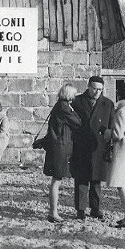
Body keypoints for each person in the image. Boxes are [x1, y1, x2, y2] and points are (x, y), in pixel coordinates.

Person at [71, 76, 114, 221]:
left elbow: (111, 125)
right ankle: (81, 210)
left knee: (96, 181)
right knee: (81, 180)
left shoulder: (108, 104)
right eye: (94, 88)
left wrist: (109, 144)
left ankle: (95, 209)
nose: (97, 92)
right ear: (88, 86)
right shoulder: (77, 102)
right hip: (81, 146)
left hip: (99, 146)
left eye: (100, 90)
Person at [44, 84, 82, 223]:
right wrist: (74, 110)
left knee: (56, 179)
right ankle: (53, 212)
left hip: (57, 146)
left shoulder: (58, 106)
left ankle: (53, 211)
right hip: (60, 146)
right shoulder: (65, 107)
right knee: (57, 179)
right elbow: (78, 122)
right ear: (69, 95)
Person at [104, 84, 125, 228]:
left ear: (119, 95)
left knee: (121, 184)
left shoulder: (121, 111)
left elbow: (117, 134)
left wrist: (105, 132)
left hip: (122, 152)